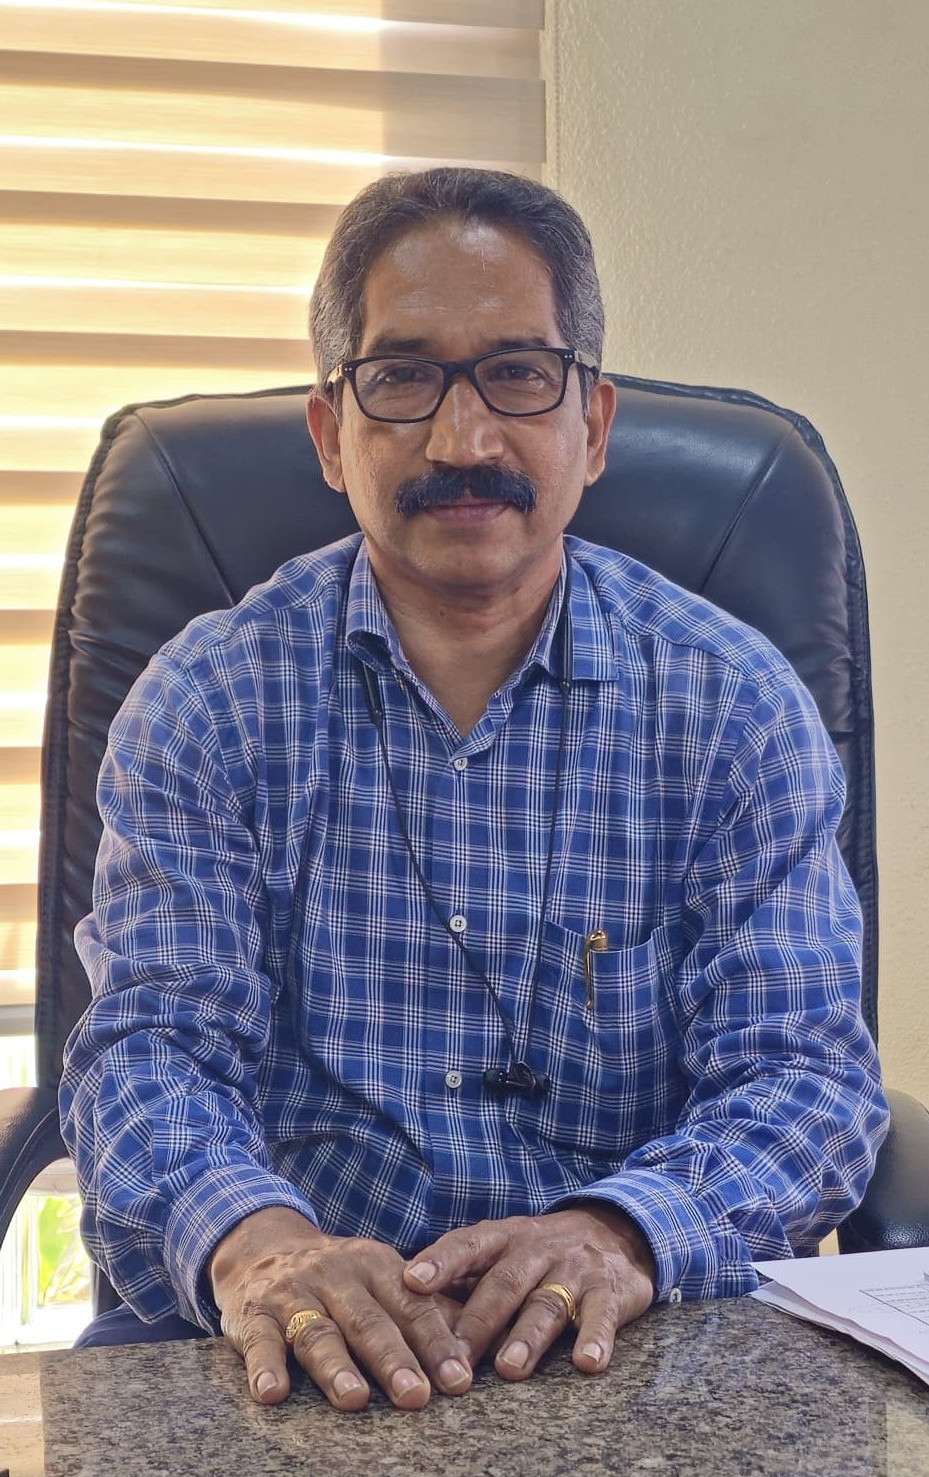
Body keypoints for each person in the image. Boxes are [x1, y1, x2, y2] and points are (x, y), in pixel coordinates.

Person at [60, 166, 888, 1413]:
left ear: (591, 426)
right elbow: (148, 1054)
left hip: (634, 1344)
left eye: (516, 373)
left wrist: (619, 1231)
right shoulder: (207, 701)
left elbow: (805, 1081)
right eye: (402, 379)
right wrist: (260, 1248)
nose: (463, 441)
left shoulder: (730, 705)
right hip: (288, 1352)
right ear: (330, 433)